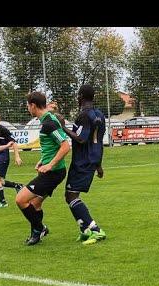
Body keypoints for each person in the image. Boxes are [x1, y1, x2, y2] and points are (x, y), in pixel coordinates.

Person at [15, 91, 70, 246]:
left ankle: (40, 229)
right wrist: (42, 161)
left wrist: (50, 165)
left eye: (27, 105)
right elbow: (52, 146)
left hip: (53, 173)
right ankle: (37, 232)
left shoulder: (49, 123)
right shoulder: (47, 120)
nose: (27, 108)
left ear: (33, 105)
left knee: (21, 199)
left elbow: (65, 146)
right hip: (54, 171)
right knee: (35, 205)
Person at [57, 85, 107, 245]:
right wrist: (99, 165)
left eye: (78, 96)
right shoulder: (99, 115)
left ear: (80, 96)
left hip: (82, 161)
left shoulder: (84, 115)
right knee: (70, 195)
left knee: (71, 195)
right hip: (92, 160)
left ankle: (95, 230)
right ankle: (85, 230)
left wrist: (62, 126)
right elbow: (98, 141)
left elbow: (81, 138)